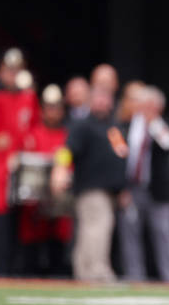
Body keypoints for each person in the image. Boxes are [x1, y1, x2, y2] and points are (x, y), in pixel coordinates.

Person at [51, 86, 126, 282]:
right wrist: (59, 170)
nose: (102, 102)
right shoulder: (83, 125)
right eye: (98, 98)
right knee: (97, 228)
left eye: (106, 98)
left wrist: (124, 187)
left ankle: (84, 271)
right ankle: (97, 271)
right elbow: (67, 149)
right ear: (91, 101)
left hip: (110, 191)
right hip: (91, 189)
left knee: (93, 229)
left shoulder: (113, 127)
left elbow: (121, 155)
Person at [118, 85, 169, 282]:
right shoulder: (129, 124)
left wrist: (153, 123)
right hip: (133, 188)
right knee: (129, 233)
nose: (145, 109)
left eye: (150, 105)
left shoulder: (166, 124)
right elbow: (123, 156)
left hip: (159, 190)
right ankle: (134, 276)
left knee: (164, 232)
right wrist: (122, 187)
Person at [18, 84, 72, 276]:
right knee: (32, 239)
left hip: (58, 200)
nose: (53, 112)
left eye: (57, 107)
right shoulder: (32, 134)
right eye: (49, 107)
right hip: (34, 202)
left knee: (58, 238)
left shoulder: (67, 136)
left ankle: (57, 274)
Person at [0, 48, 40, 275]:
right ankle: (1, 271)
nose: (12, 75)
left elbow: (34, 128)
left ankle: (19, 271)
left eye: (16, 70)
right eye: (8, 70)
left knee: (25, 223)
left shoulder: (28, 97)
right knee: (1, 222)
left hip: (22, 166)